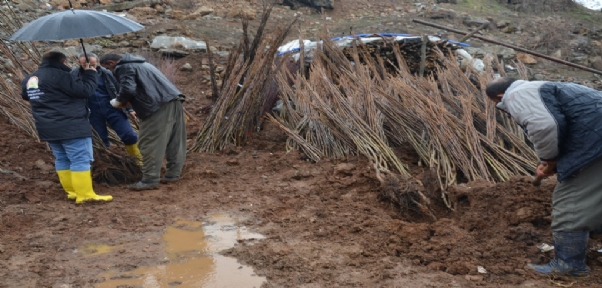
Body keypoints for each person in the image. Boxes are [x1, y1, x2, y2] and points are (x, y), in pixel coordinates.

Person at [485, 77, 602, 276]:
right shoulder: (547, 87)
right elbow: (571, 122)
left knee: (570, 203)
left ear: (500, 96)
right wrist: (554, 163)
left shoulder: (517, 95)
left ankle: (569, 265)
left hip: (595, 143)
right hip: (595, 139)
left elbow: (544, 126)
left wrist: (550, 159)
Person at [21, 51, 112, 204]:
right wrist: (90, 73)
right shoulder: (62, 76)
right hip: (71, 125)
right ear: (63, 62)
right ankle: (85, 194)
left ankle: (72, 192)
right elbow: (85, 91)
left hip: (46, 126)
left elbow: (26, 96)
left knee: (62, 157)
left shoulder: (29, 79)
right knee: (80, 159)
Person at [100, 53, 186, 191]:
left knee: (148, 142)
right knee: (174, 140)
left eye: (108, 69)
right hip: (173, 100)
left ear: (111, 63)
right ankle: (172, 174)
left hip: (156, 106)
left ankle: (149, 179)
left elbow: (128, 89)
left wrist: (118, 102)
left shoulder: (124, 67)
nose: (111, 72)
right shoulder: (143, 64)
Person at [71, 53, 142, 163]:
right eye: (85, 65)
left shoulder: (107, 73)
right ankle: (107, 163)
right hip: (91, 112)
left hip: (113, 108)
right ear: (79, 63)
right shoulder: (74, 75)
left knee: (129, 134)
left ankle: (138, 161)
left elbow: (121, 91)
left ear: (97, 61)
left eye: (92, 65)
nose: (89, 67)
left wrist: (130, 109)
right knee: (100, 139)